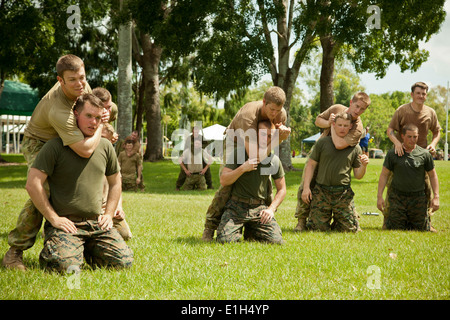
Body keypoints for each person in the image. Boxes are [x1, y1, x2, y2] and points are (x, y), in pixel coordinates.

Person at [1, 54, 108, 271]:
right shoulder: (58, 109)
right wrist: (101, 129)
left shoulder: (82, 85)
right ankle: (15, 252)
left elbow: (100, 109)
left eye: (82, 77)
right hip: (39, 142)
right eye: (72, 80)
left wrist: (105, 116)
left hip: (66, 139)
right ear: (60, 81)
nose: (80, 84)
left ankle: (91, 235)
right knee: (42, 189)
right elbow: (86, 150)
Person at [25, 93, 133, 272]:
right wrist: (54, 218)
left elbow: (115, 182)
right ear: (76, 114)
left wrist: (108, 214)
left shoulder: (105, 146)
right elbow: (33, 184)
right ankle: (65, 250)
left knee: (123, 262)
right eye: (89, 116)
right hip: (67, 225)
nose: (94, 122)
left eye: (98, 118)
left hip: (96, 224)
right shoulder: (55, 146)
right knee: (64, 266)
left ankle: (85, 251)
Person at [201, 86, 291, 241]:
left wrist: (278, 135)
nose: (275, 114)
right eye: (272, 110)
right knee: (227, 184)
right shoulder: (247, 116)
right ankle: (210, 226)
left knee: (265, 180)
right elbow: (255, 156)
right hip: (236, 141)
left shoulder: (280, 113)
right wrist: (278, 140)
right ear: (264, 102)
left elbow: (271, 140)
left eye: (278, 110)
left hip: (264, 139)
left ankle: (259, 222)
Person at [294, 92, 371, 231]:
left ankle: (349, 218)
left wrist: (333, 126)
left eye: (362, 109)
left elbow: (339, 144)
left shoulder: (358, 127)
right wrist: (329, 122)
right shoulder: (336, 108)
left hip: (340, 156)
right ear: (350, 102)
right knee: (306, 185)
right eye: (357, 106)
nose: (358, 111)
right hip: (320, 150)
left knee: (342, 188)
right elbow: (318, 120)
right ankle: (301, 221)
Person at [216, 120, 285, 244]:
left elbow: (282, 189)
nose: (266, 139)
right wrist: (243, 168)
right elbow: (224, 180)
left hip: (259, 208)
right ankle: (243, 229)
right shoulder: (239, 153)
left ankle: (251, 230)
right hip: (236, 207)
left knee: (276, 241)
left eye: (270, 136)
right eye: (263, 134)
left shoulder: (274, 160)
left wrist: (271, 209)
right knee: (224, 241)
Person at [384, 81, 441, 230]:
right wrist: (397, 143)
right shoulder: (402, 111)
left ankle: (426, 222)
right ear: (412, 95)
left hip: (421, 157)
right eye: (418, 93)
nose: (421, 96)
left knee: (426, 190)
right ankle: (388, 220)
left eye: (423, 94)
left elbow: (437, 131)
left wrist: (433, 145)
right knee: (393, 189)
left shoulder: (430, 113)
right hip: (400, 155)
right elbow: (390, 130)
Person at [377, 124, 439, 231]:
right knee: (394, 228)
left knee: (421, 229)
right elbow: (384, 175)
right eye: (409, 137)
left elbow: (433, 175)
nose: (412, 140)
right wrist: (379, 196)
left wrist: (436, 196)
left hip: (418, 198)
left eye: (415, 137)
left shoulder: (424, 154)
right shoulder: (393, 154)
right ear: (402, 136)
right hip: (397, 198)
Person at [176, 125, 213, 190]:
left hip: (200, 155)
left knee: (207, 170)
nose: (195, 133)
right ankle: (178, 186)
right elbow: (186, 148)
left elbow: (207, 146)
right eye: (194, 132)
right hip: (190, 155)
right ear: (192, 132)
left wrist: (201, 148)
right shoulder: (189, 139)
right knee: (183, 171)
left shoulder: (201, 138)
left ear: (198, 132)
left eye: (196, 132)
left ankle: (209, 185)